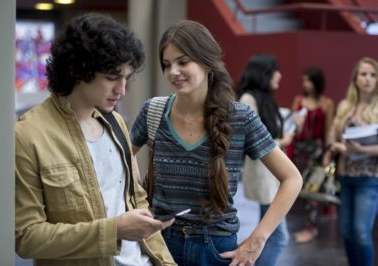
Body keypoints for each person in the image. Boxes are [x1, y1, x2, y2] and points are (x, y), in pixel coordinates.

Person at [130, 20, 302, 266]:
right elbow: (121, 157)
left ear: (207, 61)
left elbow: (292, 178)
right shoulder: (153, 111)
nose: (173, 72)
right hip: (159, 243)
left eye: (183, 61)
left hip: (215, 248)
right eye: (166, 65)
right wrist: (137, 199)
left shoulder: (240, 117)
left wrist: (257, 241)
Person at [15, 13, 176, 266]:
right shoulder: (28, 135)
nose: (121, 90)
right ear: (78, 70)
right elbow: (27, 237)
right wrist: (113, 230)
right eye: (112, 78)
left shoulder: (116, 122)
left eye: (126, 78)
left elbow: (136, 197)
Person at [236, 54, 292, 266]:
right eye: (275, 70)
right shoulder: (249, 99)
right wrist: (280, 141)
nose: (279, 75)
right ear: (264, 74)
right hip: (264, 174)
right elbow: (250, 141)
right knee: (278, 237)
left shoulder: (265, 99)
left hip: (273, 174)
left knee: (270, 233)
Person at [324, 57, 378, 266]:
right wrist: (334, 146)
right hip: (344, 177)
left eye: (373, 75)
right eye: (363, 74)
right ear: (355, 78)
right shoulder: (345, 106)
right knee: (346, 231)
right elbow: (332, 136)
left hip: (370, 178)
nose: (368, 79)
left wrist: (361, 149)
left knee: (361, 231)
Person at [288, 67, 335, 243]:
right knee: (297, 188)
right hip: (300, 150)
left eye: (308, 80)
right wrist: (298, 124)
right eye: (304, 81)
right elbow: (293, 130)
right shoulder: (298, 100)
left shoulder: (326, 103)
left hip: (316, 150)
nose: (305, 84)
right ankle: (304, 225)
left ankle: (310, 228)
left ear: (316, 82)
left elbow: (329, 130)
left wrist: (327, 154)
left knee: (313, 190)